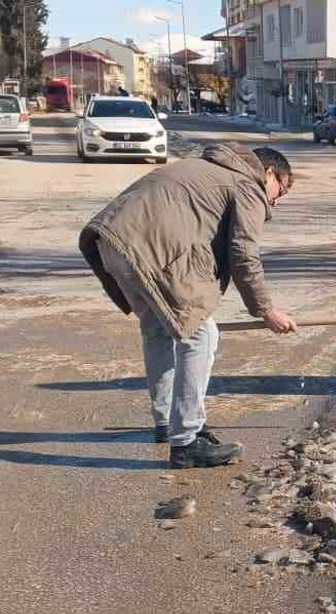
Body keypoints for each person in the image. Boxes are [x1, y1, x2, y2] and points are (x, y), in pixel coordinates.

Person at [79, 144, 298, 468]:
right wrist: (266, 310)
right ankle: (187, 441)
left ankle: (168, 422)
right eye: (282, 188)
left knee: (158, 330)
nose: (277, 200)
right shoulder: (247, 183)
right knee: (201, 335)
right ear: (268, 172)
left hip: (110, 242)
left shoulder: (206, 168)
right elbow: (244, 254)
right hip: (150, 251)